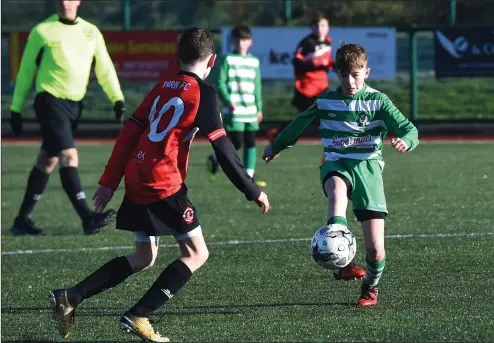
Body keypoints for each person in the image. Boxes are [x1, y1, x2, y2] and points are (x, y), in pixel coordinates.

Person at [50, 27, 270, 342]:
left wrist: (109, 182)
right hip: (163, 183)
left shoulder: (161, 86)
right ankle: (139, 315)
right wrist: (253, 190)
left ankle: (70, 296)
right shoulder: (203, 94)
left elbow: (130, 132)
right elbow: (223, 149)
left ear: (176, 56)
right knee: (197, 253)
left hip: (137, 176)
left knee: (143, 257)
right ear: (213, 61)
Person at [262, 43, 419, 307]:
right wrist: (276, 145)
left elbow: (409, 128)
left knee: (376, 249)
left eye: (356, 75)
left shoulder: (378, 101)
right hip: (337, 164)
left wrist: (406, 140)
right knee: (336, 190)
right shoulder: (326, 101)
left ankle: (370, 289)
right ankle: (342, 259)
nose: (350, 81)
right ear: (337, 73)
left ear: (366, 72)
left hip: (369, 171)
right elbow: (299, 123)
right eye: (344, 75)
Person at [9, 0, 124, 236]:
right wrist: (15, 107)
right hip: (49, 101)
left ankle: (22, 219)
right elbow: (26, 71)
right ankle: (87, 217)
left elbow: (105, 68)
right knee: (68, 155)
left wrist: (117, 99)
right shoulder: (42, 31)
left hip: (74, 106)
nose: (64, 2)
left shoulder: (91, 32)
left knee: (46, 160)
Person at [206, 25, 266, 188]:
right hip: (235, 109)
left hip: (251, 109)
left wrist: (259, 108)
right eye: (238, 40)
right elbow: (220, 82)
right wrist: (228, 101)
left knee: (251, 141)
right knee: (237, 142)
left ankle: (249, 176)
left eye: (245, 40)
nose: (241, 43)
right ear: (233, 41)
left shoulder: (254, 61)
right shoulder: (227, 59)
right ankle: (215, 159)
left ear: (250, 42)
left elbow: (257, 86)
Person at [267, 12, 335, 143]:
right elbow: (297, 62)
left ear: (328, 27)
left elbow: (325, 62)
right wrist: (313, 64)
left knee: (330, 117)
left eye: (323, 25)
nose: (320, 29)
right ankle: (277, 134)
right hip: (306, 87)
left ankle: (331, 151)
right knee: (302, 120)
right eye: (317, 26)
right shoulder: (307, 43)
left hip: (321, 86)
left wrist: (333, 64)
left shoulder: (328, 42)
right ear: (311, 28)